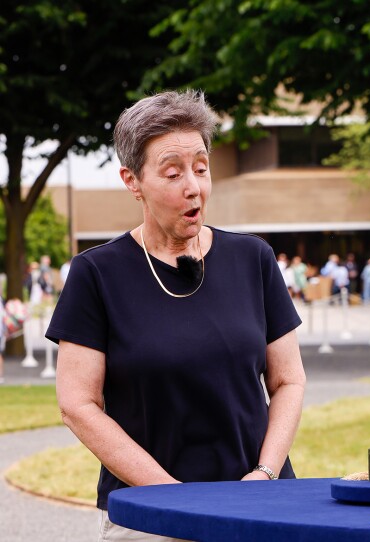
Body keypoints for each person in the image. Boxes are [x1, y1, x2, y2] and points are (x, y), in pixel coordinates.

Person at [48, 90, 307, 542]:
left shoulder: (254, 258)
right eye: (173, 173)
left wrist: (264, 475)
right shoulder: (96, 274)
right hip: (152, 515)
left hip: (259, 504)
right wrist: (174, 498)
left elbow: (288, 381)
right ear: (133, 181)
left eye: (202, 169)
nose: (194, 186)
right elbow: (78, 405)